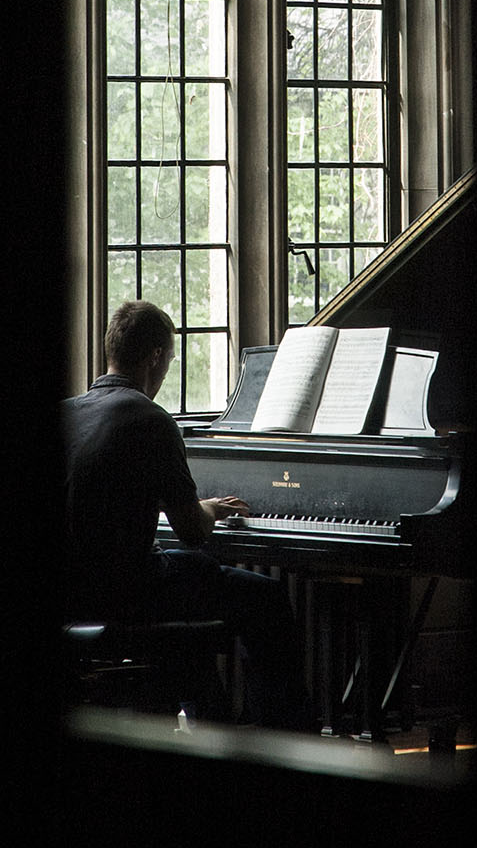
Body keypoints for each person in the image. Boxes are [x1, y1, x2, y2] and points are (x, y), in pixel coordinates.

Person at [62, 299, 312, 731]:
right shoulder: (150, 418)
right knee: (265, 598)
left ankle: (216, 724)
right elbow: (192, 530)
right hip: (125, 593)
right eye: (169, 360)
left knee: (193, 587)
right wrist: (209, 509)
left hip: (70, 593)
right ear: (155, 356)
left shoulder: (68, 412)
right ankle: (283, 738)